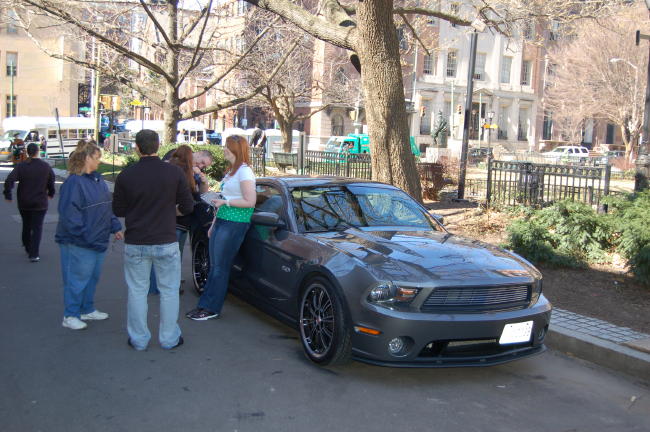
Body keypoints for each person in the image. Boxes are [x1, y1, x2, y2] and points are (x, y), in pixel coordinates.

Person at [113, 129, 194, 350]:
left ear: (137, 148)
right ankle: (169, 338)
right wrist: (170, 210)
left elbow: (118, 208)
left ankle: (139, 339)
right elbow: (188, 207)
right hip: (166, 240)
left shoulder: (126, 175)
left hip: (137, 241)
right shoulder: (174, 174)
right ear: (158, 146)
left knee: (137, 291)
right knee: (169, 291)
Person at [186, 135, 256, 321]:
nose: (223, 149)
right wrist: (215, 223)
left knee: (220, 268)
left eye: (227, 147)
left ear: (235, 150)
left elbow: (250, 201)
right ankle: (205, 305)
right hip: (223, 221)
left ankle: (210, 308)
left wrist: (226, 202)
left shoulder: (245, 172)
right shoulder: (232, 171)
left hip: (235, 223)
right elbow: (224, 200)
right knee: (214, 266)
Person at [55, 140, 123, 330]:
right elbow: (70, 216)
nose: (99, 161)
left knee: (91, 278)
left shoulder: (98, 180)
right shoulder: (73, 183)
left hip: (96, 239)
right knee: (76, 280)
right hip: (80, 242)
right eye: (96, 158)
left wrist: (115, 226)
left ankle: (86, 308)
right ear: (86, 158)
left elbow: (105, 208)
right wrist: (85, 235)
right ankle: (70, 315)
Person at [149, 145, 208, 295]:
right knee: (167, 254)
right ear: (194, 155)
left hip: (180, 221)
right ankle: (162, 285)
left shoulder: (190, 173)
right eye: (201, 162)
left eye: (204, 166)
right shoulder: (179, 172)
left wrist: (203, 179)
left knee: (171, 254)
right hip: (175, 220)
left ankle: (166, 283)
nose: (201, 166)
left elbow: (197, 194)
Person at [3, 143, 56, 262]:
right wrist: (51, 193)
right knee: (37, 227)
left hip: (24, 201)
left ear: (27, 152)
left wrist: (8, 194)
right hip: (40, 202)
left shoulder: (21, 166)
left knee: (26, 225)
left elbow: (9, 180)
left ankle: (27, 245)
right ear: (38, 152)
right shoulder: (45, 166)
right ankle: (34, 254)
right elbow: (51, 181)